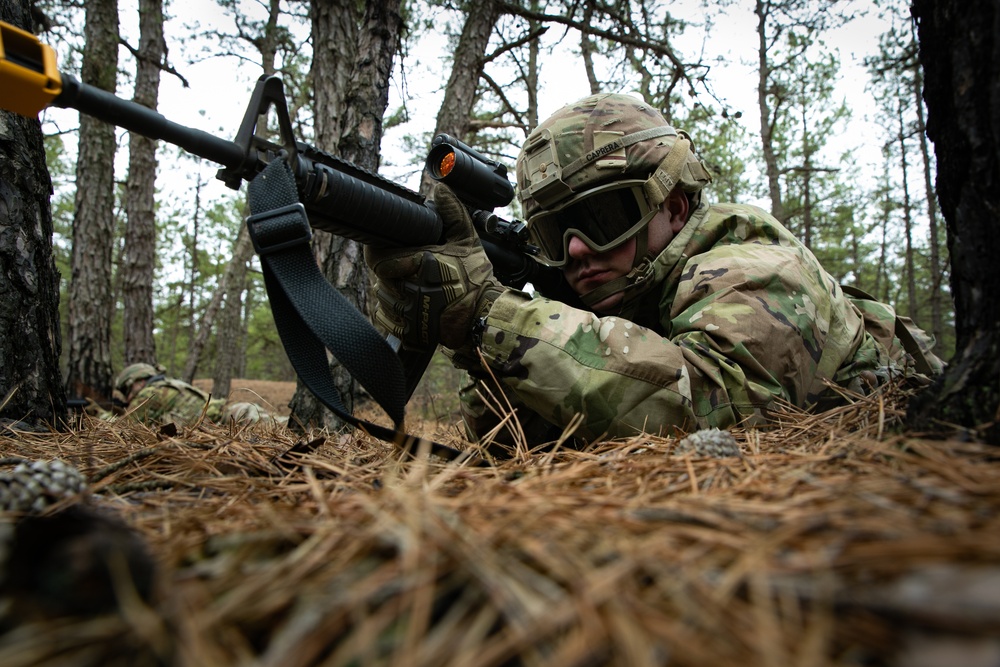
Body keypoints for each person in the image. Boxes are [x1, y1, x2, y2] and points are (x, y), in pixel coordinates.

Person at [366, 93, 943, 450]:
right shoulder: (613, 303)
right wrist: (468, 335)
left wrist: (494, 319)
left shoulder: (753, 263)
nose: (577, 251)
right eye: (553, 234)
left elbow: (704, 406)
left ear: (673, 203)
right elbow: (509, 440)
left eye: (601, 217)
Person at [109, 363, 283, 427]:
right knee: (289, 428)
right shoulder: (169, 386)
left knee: (293, 429)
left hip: (232, 418)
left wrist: (99, 413)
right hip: (231, 418)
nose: (129, 397)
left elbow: (124, 428)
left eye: (128, 390)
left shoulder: (151, 392)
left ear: (137, 381)